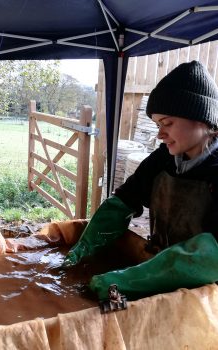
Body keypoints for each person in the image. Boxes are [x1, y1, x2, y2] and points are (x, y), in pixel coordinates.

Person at [62, 60, 218, 301]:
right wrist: (84, 248)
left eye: (167, 123)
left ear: (202, 119)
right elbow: (123, 202)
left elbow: (211, 254)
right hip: (157, 271)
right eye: (157, 125)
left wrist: (128, 280)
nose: (159, 134)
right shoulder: (162, 160)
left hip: (204, 295)